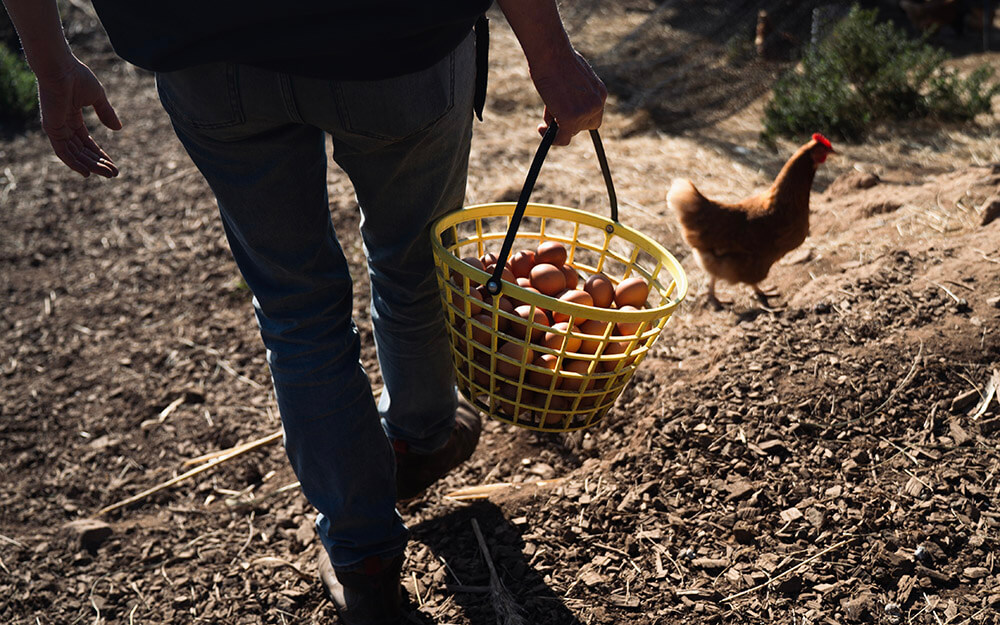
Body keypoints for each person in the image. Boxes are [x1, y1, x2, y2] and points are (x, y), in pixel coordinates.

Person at [3, 1, 606, 622]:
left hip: (206, 49)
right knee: (416, 264)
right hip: (397, 41)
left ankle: (364, 555)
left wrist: (51, 65)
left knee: (297, 308)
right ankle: (422, 438)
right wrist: (550, 54)